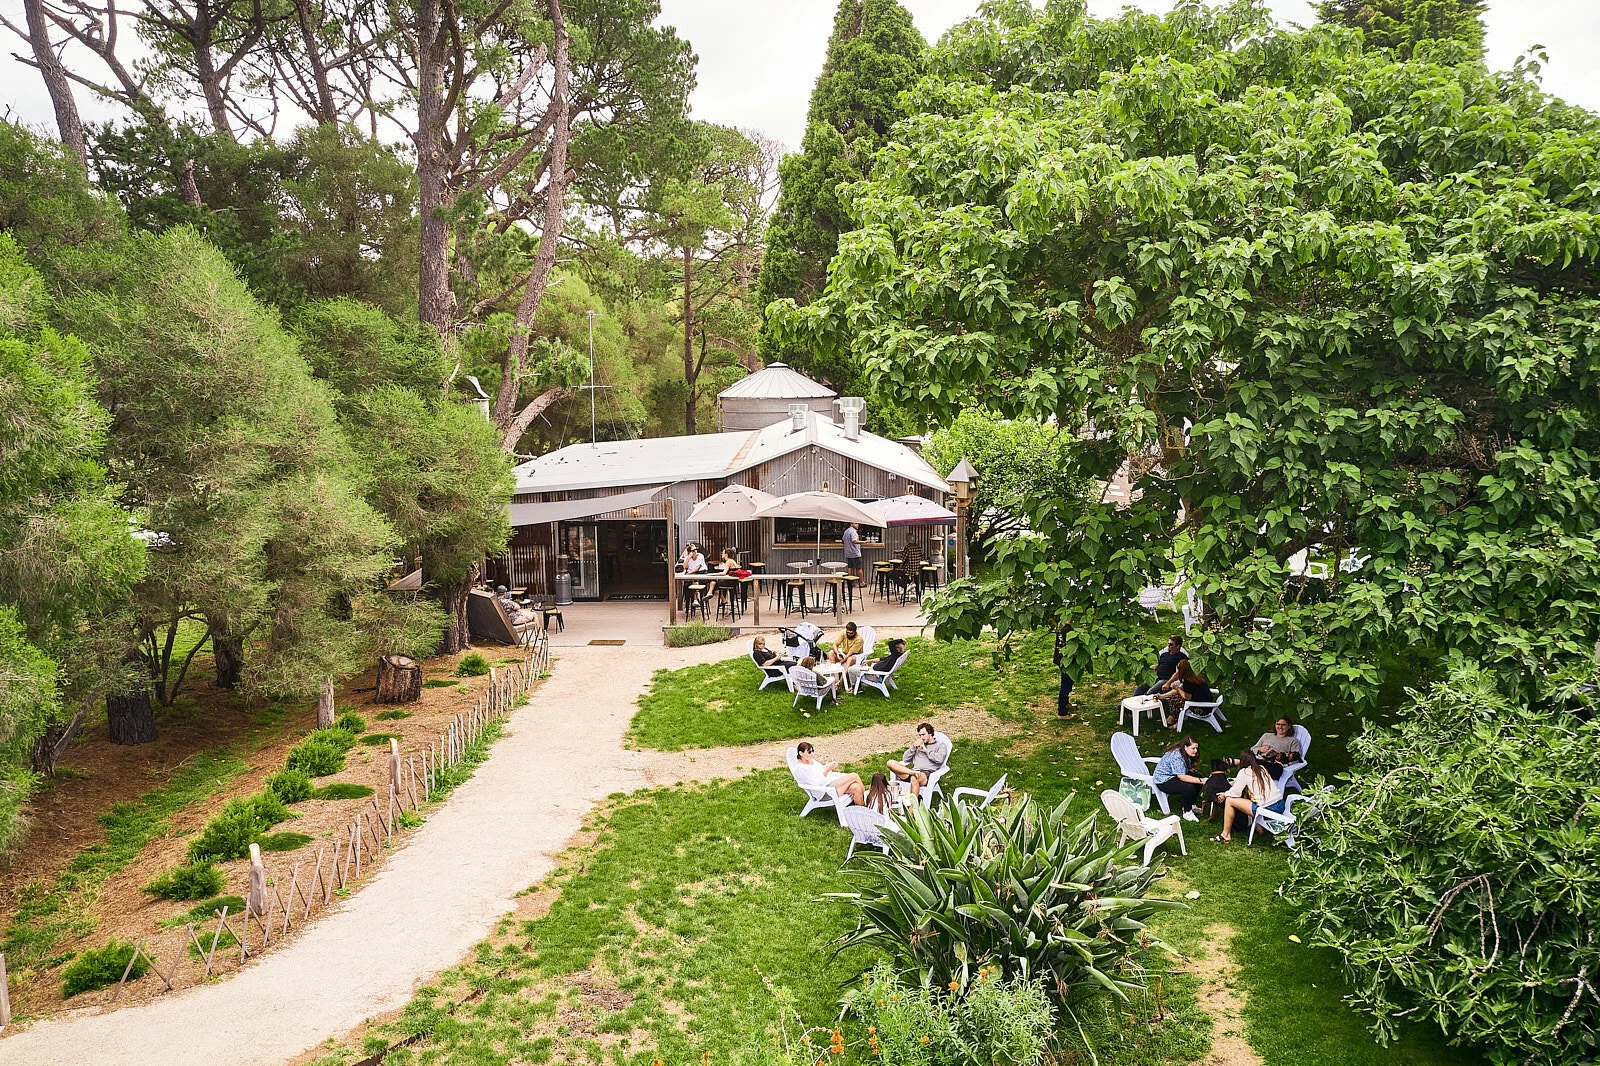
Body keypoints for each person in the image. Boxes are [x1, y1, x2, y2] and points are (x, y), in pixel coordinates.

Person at [1213, 751, 1285, 843]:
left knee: (1230, 800)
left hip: (1268, 809)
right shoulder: (1262, 768)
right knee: (1254, 797)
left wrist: (1224, 794)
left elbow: (1235, 793)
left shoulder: (1244, 772)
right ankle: (1259, 828)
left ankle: (1226, 834)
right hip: (1280, 805)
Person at [886, 722, 948, 798]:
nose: (922, 737)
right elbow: (905, 759)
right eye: (920, 735)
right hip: (912, 772)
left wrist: (926, 751)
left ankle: (912, 805)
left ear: (930, 733)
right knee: (890, 763)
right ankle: (912, 772)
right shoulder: (919, 745)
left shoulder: (940, 745)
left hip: (926, 774)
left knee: (914, 778)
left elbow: (940, 759)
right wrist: (913, 747)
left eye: (923, 734)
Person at [1151, 736, 1205, 821]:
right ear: (1185, 747)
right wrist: (1201, 780)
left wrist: (1197, 778)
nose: (1196, 750)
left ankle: (1191, 804)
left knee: (1197, 780)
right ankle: (1187, 812)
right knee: (1189, 787)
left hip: (1173, 775)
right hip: (1163, 780)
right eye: (1193, 748)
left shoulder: (1184, 752)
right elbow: (1181, 777)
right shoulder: (1177, 756)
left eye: (1196, 748)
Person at [793, 741, 864, 805]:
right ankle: (867, 797)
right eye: (809, 752)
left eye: (812, 751)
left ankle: (863, 809)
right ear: (801, 753)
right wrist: (827, 770)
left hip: (830, 783)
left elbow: (822, 769)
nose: (812, 754)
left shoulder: (810, 761)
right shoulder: (801, 769)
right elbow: (816, 784)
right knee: (854, 776)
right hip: (825, 792)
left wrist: (829, 766)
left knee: (856, 787)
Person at [1155, 659, 1213, 728]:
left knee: (1175, 700)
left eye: (1178, 667)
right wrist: (1162, 696)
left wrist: (1177, 688)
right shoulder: (1193, 677)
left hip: (1202, 709)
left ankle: (1177, 721)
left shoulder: (1189, 682)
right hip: (1206, 704)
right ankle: (1172, 718)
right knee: (1174, 696)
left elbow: (1186, 697)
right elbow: (1178, 690)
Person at [1053, 621, 1075, 717]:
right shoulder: (1068, 630)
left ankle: (1065, 703)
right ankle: (1062, 713)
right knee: (1066, 685)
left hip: (1063, 661)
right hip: (1066, 662)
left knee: (1068, 683)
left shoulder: (1064, 626)